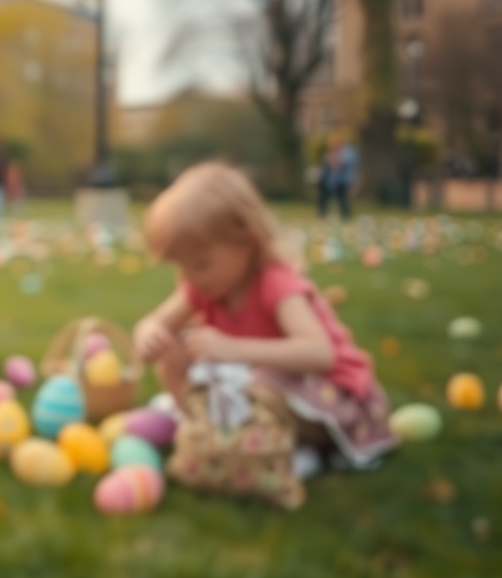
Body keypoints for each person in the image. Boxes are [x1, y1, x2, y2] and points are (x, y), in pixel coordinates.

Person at [133, 162, 396, 508]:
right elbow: (155, 323)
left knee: (263, 381)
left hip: (324, 397)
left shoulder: (276, 284)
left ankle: (290, 448)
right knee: (174, 351)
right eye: (181, 266)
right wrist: (149, 333)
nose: (190, 277)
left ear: (246, 241)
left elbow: (320, 354)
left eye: (200, 263)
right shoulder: (203, 286)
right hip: (257, 388)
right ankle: (207, 433)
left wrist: (233, 349)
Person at [318, 134, 357, 219]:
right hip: (332, 181)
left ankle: (346, 215)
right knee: (324, 196)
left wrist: (334, 161)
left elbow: (343, 163)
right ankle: (322, 213)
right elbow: (327, 163)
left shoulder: (348, 152)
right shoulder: (331, 153)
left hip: (344, 180)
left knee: (343, 199)